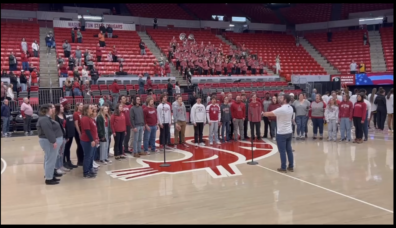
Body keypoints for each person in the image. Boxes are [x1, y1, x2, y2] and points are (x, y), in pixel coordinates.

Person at [262, 94, 294, 173]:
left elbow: (269, 113)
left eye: (281, 98)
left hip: (282, 133)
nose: (280, 99)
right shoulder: (291, 108)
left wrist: (263, 113)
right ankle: (291, 166)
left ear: (285, 100)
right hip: (289, 131)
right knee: (289, 150)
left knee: (282, 151)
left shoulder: (281, 109)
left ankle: (283, 167)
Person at [37, 103, 64, 185]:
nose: (53, 110)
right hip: (48, 142)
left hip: (49, 141)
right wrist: (53, 141)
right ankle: (49, 178)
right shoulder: (44, 119)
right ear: (47, 110)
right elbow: (48, 131)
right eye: (51, 108)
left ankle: (50, 175)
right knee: (50, 160)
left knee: (49, 159)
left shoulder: (46, 118)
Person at [80, 104, 99, 178]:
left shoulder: (90, 118)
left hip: (92, 140)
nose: (92, 109)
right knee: (88, 156)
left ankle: (90, 169)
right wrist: (92, 140)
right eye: (90, 108)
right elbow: (87, 130)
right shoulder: (85, 118)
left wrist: (95, 139)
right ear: (86, 110)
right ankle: (86, 172)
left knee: (91, 156)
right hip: (87, 140)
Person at [54, 103, 71, 175]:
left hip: (64, 135)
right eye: (61, 107)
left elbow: (66, 126)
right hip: (59, 136)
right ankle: (57, 167)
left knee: (62, 152)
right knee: (58, 153)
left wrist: (67, 136)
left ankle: (61, 165)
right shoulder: (55, 117)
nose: (62, 107)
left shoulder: (63, 115)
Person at [60, 99, 77, 169]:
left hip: (71, 133)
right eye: (67, 104)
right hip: (66, 134)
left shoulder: (70, 112)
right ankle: (64, 162)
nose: (69, 105)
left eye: (69, 104)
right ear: (64, 106)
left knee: (68, 149)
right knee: (64, 149)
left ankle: (69, 161)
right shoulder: (63, 114)